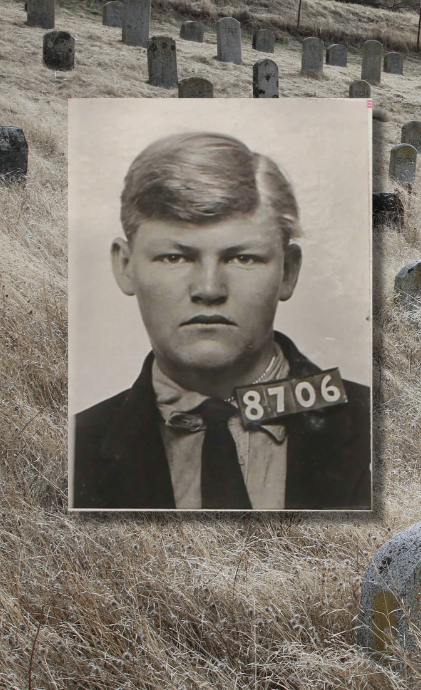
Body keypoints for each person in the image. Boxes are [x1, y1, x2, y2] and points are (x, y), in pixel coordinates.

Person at [72, 132, 371, 508]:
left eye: (242, 258)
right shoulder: (73, 446)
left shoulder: (373, 422)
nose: (209, 289)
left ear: (289, 271)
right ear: (125, 266)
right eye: (174, 257)